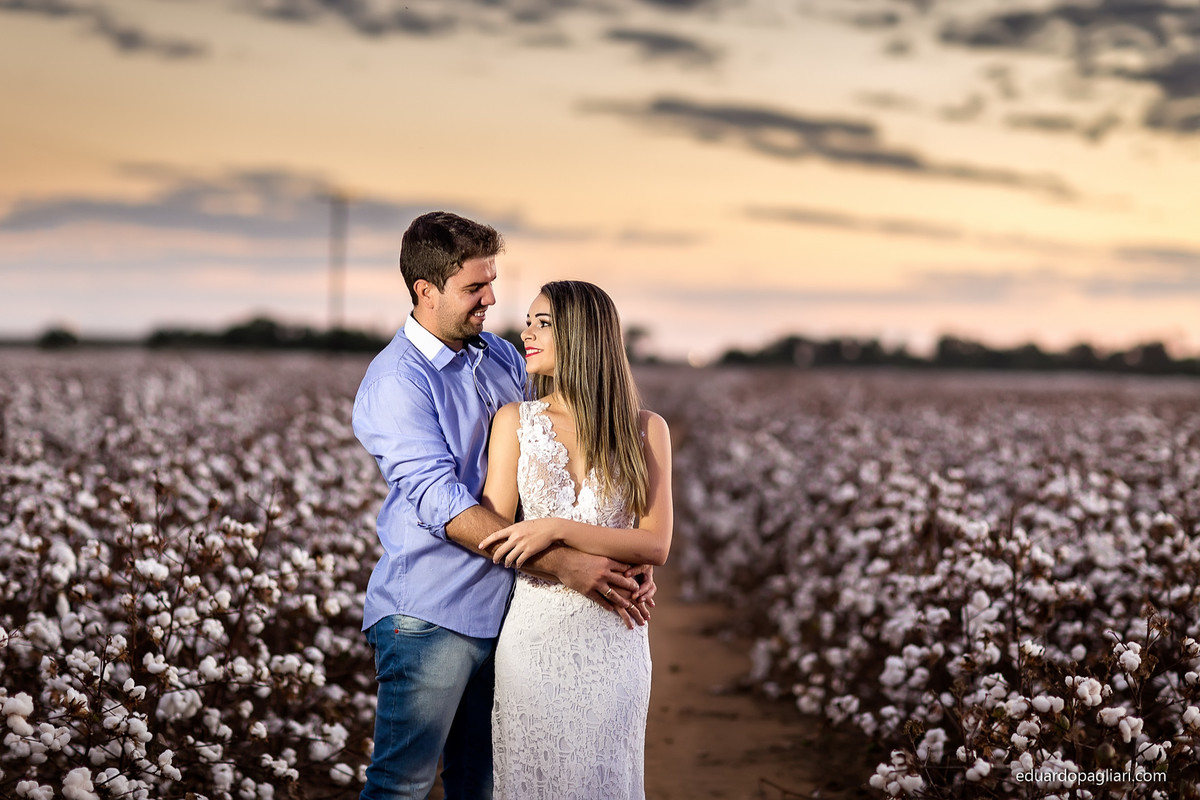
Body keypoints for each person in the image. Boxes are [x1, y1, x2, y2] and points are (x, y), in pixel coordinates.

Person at [352, 213, 655, 800]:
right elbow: (443, 504)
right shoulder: (396, 382)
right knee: (402, 784)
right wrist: (566, 564)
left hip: (512, 614)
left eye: (491, 282)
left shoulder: (497, 356)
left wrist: (617, 547)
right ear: (425, 290)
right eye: (474, 287)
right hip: (430, 614)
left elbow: (558, 453)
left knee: (484, 783)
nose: (492, 299)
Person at [478, 280, 674, 800]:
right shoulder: (515, 422)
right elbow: (495, 535)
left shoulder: (647, 429)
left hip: (616, 635)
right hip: (533, 636)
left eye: (544, 323)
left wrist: (555, 527)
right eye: (529, 321)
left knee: (606, 779)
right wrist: (611, 544)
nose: (527, 333)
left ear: (584, 336)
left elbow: (655, 545)